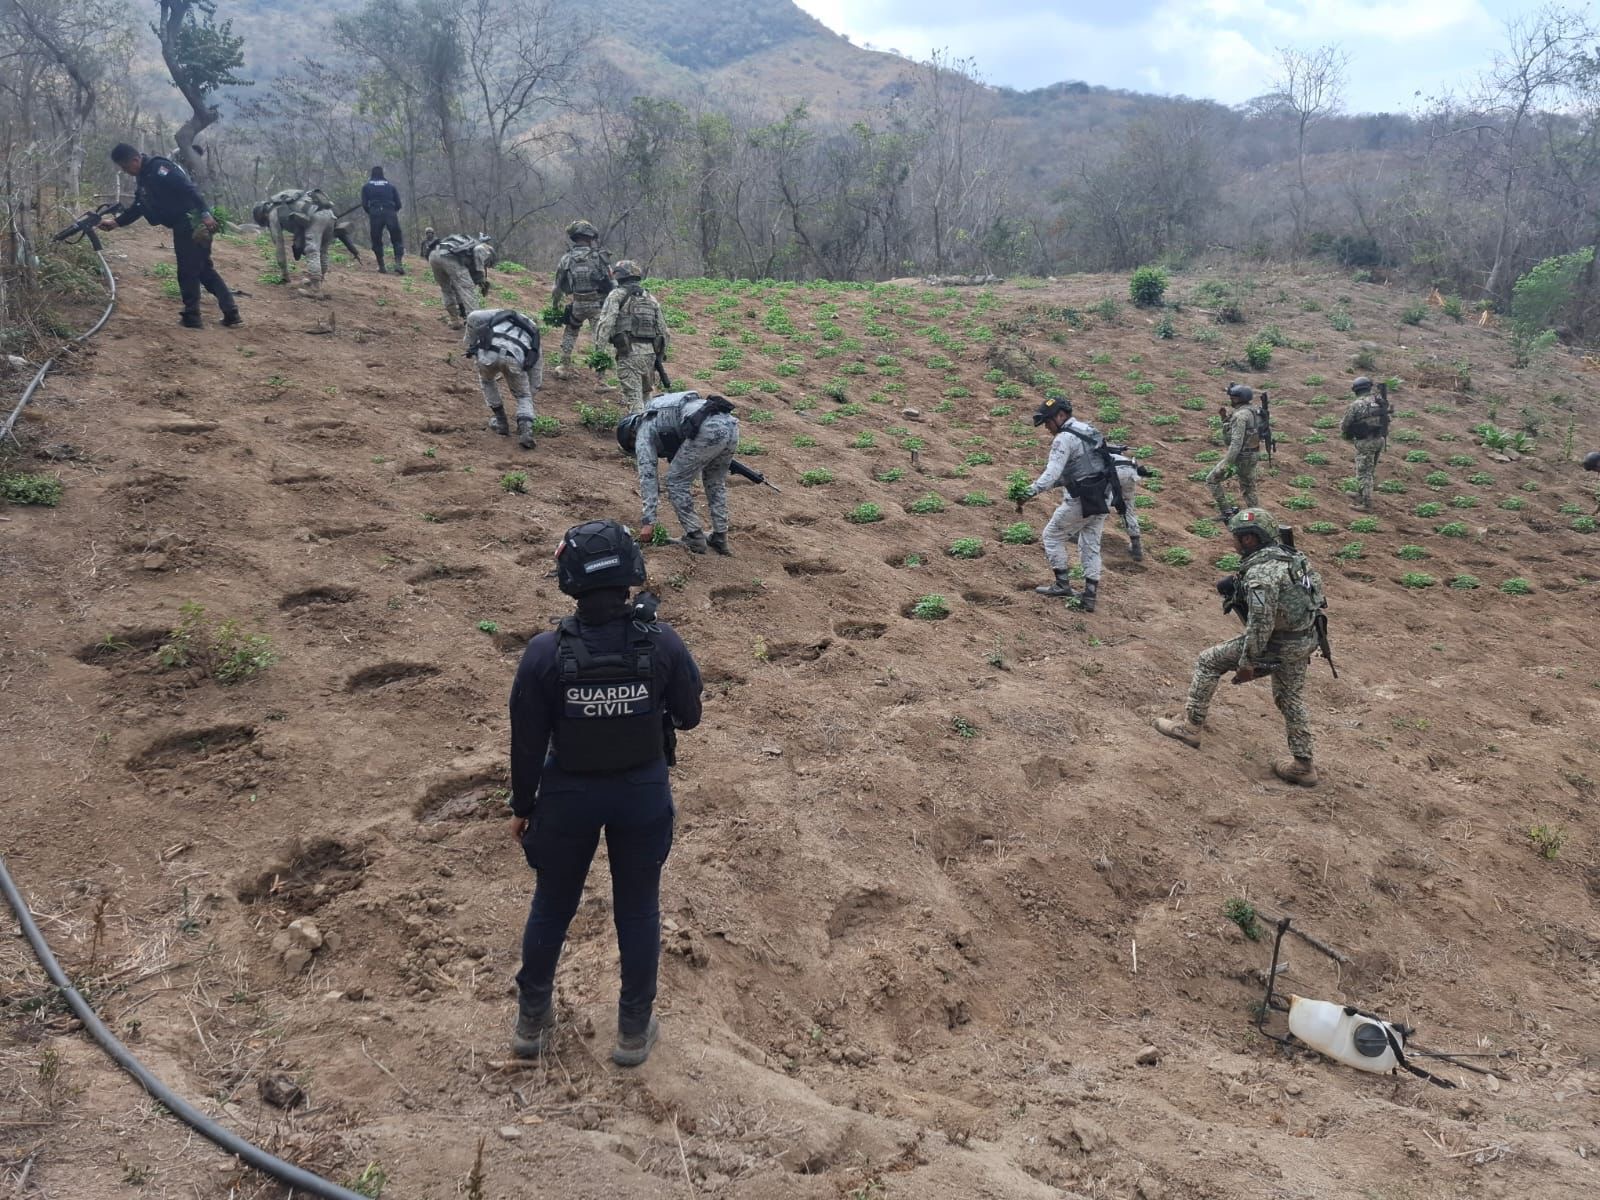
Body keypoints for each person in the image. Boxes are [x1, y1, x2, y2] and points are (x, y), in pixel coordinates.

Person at [508, 519, 703, 1066]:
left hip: (567, 795)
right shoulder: (661, 641)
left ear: (568, 577)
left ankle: (531, 1021)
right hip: (641, 793)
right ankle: (633, 1030)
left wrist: (523, 806)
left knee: (552, 904)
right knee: (638, 908)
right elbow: (689, 715)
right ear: (631, 574)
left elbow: (526, 743)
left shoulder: (543, 653)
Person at [1154, 508, 1327, 786]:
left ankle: (1190, 728)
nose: (1232, 541)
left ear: (1249, 539)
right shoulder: (1292, 558)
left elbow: (1260, 625)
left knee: (1208, 661)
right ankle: (1303, 765)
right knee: (1290, 698)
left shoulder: (1261, 575)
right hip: (1306, 639)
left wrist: (1248, 664)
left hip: (1278, 643)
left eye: (1236, 537)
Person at [101, 143, 239, 329]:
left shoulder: (160, 168)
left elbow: (188, 189)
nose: (126, 171)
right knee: (203, 269)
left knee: (188, 270)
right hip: (183, 224)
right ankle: (231, 313)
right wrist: (116, 222)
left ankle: (192, 316)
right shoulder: (144, 176)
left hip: (191, 223)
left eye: (126, 167)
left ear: (135, 160)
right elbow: (139, 206)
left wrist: (205, 213)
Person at [1015, 396, 1116, 612]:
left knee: (1051, 536)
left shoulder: (1063, 439)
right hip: (1102, 494)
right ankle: (1089, 596)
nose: (1047, 428)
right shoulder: (1088, 429)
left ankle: (1062, 584)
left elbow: (1052, 474)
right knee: (1090, 543)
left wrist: (1028, 492)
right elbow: (1084, 467)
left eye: (1048, 422)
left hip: (1081, 498)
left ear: (1060, 416)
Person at [616, 392, 738, 556]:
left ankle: (694, 537)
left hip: (707, 428)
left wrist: (648, 521)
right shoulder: (657, 414)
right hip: (730, 424)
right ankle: (720, 536)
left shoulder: (642, 432)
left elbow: (648, 477)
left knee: (676, 482)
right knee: (715, 483)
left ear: (631, 435)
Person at [464, 308, 542, 449]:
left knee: (487, 381)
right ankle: (526, 430)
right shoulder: (534, 336)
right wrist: (528, 398)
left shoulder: (498, 315)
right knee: (523, 396)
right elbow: (536, 378)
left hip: (490, 351)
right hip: (515, 356)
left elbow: (473, 316)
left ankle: (501, 422)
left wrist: (471, 343)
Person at [594, 260, 665, 414]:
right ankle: (650, 425)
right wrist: (659, 356)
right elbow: (663, 331)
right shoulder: (650, 297)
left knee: (634, 400)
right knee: (647, 396)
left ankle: (639, 427)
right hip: (650, 355)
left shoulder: (616, 295)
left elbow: (606, 324)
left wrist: (599, 352)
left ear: (619, 276)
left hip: (629, 354)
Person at [551, 220, 613, 375]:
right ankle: (601, 378)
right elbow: (612, 283)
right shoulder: (599, 257)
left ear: (574, 237)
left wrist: (555, 307)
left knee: (570, 332)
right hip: (597, 305)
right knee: (599, 340)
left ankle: (564, 366)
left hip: (577, 304)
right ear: (590, 237)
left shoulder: (566, 258)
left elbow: (557, 287)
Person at [253, 189, 337, 297]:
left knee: (312, 250)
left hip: (316, 217)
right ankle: (318, 281)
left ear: (263, 214)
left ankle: (316, 289)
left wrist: (284, 274)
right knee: (323, 251)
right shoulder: (288, 200)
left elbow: (279, 246)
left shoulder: (273, 213)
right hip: (330, 214)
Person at [1206, 383, 1262, 520]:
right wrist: (1225, 419)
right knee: (1248, 488)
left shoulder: (1240, 416)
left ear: (1238, 399)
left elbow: (1235, 443)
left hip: (1240, 457)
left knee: (1212, 480)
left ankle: (1226, 512)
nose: (1231, 399)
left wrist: (1227, 462)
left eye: (1232, 397)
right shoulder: (1254, 411)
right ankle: (1257, 517)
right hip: (1253, 454)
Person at [426, 231, 496, 328]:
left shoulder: (467, 242)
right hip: (449, 257)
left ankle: (454, 320)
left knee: (446, 289)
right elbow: (477, 262)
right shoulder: (483, 249)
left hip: (434, 254)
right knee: (468, 289)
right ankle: (475, 324)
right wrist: (481, 278)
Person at [1340, 376, 1389, 512]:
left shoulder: (1357, 404)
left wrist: (1347, 433)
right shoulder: (1378, 401)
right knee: (1369, 470)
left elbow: (1345, 424)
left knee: (1364, 472)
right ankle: (1361, 493)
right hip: (1379, 439)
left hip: (1366, 442)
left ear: (1356, 390)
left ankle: (1366, 504)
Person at [361, 167, 405, 275]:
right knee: (397, 239)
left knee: (376, 239)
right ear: (382, 174)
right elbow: (399, 204)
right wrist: (392, 211)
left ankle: (381, 266)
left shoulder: (366, 187)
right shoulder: (391, 186)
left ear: (372, 174)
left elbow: (365, 205)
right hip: (390, 212)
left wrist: (372, 212)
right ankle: (398, 264)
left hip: (375, 213)